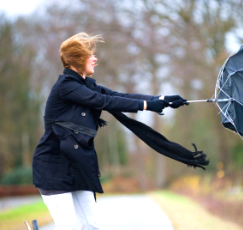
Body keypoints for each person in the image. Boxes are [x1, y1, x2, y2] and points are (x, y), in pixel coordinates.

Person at [32, 32, 187, 230]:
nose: (95, 59)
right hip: (53, 168)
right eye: (90, 55)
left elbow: (119, 95)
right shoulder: (66, 87)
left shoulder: (86, 85)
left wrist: (161, 98)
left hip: (78, 167)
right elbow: (104, 101)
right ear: (79, 59)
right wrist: (147, 106)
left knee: (92, 226)